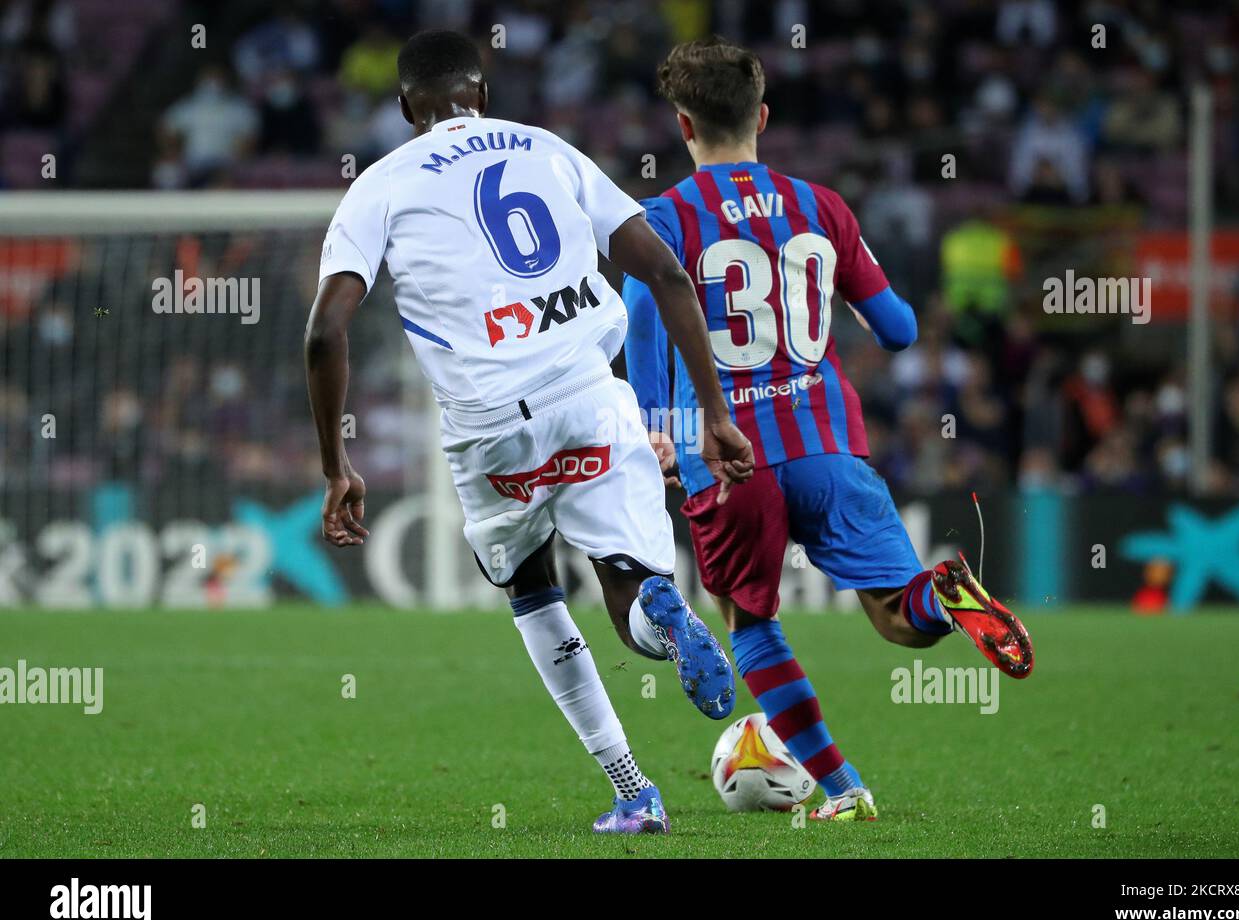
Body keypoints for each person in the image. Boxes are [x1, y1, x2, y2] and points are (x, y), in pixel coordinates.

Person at [304, 30, 755, 835]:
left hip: (489, 426)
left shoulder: (379, 185)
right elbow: (666, 272)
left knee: (532, 590)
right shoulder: (551, 150)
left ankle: (634, 792)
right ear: (482, 95)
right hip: (591, 391)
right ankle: (661, 611)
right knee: (628, 588)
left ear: (407, 107)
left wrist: (337, 465)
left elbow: (324, 332)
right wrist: (715, 416)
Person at [623, 38, 1035, 823]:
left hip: (728, 455)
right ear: (763, 118)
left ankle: (844, 790)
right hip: (827, 441)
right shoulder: (823, 206)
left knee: (750, 620)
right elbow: (900, 330)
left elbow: (645, 326)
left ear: (683, 126)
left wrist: (657, 429)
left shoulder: (661, 219)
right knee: (897, 615)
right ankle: (947, 597)